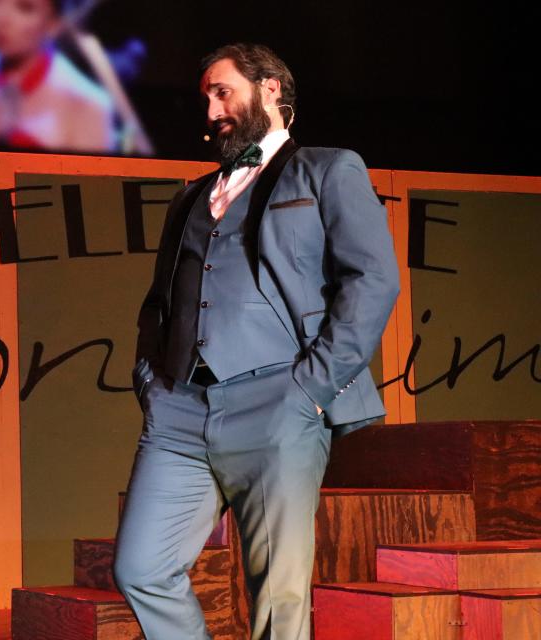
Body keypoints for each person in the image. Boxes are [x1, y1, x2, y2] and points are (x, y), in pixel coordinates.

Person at [112, 43, 400, 639]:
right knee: (140, 568)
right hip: (180, 412)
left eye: (223, 92)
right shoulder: (190, 196)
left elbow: (373, 279)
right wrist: (152, 380)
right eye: (206, 98)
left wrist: (311, 387)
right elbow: (159, 303)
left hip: (279, 403)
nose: (213, 108)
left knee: (278, 596)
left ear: (270, 88)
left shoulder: (327, 168)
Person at [0, 0, 117, 153]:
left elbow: (93, 193)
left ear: (54, 23)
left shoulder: (89, 104)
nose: (2, 19)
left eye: (25, 7)